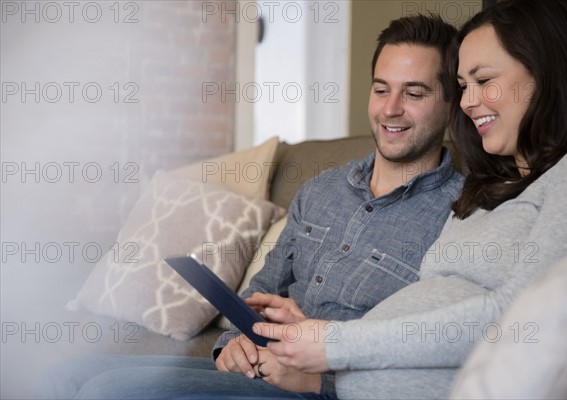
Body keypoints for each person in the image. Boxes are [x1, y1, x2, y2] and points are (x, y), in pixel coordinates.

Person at [35, 15, 463, 400]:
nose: (391, 108)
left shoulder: (459, 216)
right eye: (381, 89)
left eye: (414, 93)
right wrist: (233, 343)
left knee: (108, 391)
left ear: (450, 104)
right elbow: (260, 294)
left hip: (321, 388)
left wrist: (323, 372)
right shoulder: (322, 190)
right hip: (259, 367)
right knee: (63, 376)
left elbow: (431, 354)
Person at [252, 0, 567, 399]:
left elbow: (522, 320)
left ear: (545, 73)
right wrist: (310, 333)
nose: (469, 102)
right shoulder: (483, 193)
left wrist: (334, 343)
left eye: (484, 81)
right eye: (464, 86)